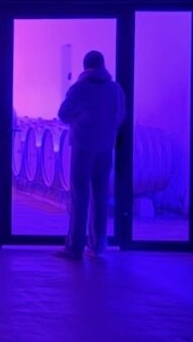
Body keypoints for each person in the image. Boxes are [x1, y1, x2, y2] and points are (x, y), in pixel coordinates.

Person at [54, 51, 126, 260]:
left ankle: (75, 246)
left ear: (85, 67)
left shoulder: (79, 88)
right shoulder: (115, 89)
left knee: (79, 196)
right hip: (105, 147)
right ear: (103, 65)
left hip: (82, 146)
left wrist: (80, 118)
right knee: (101, 196)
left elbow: (63, 114)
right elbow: (121, 115)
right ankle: (97, 245)